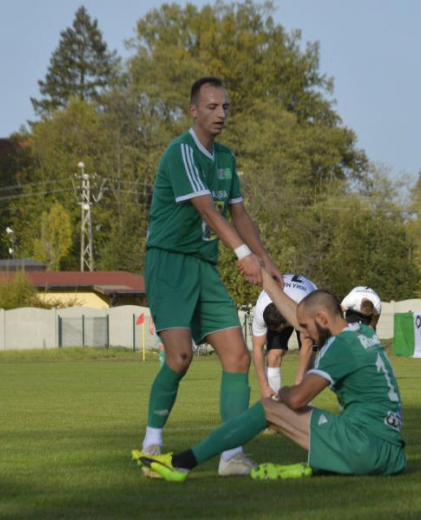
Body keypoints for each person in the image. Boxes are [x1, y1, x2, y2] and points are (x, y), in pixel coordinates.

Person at [132, 270, 406, 481]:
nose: (305, 334)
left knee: (268, 408)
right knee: (290, 412)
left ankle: (182, 463)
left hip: (366, 448)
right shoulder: (362, 334)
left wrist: (281, 392)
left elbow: (297, 399)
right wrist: (266, 278)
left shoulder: (341, 347)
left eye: (307, 327)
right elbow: (302, 317)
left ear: (323, 319)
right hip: (389, 452)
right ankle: (322, 464)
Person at [140, 76, 284, 478]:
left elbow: (238, 213)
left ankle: (231, 456)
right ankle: (152, 443)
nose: (220, 113)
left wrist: (264, 259)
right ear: (194, 111)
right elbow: (206, 208)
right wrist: (242, 254)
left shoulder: (225, 158)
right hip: (168, 263)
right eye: (212, 106)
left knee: (238, 357)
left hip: (203, 265)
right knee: (179, 357)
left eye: (225, 107)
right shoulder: (181, 152)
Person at [251, 274, 317, 399]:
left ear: (286, 321)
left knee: (309, 361)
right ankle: (275, 402)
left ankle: (304, 403)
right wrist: (264, 386)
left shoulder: (303, 308)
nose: (277, 331)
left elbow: (307, 344)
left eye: (279, 329)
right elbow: (257, 348)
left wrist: (299, 381)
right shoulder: (260, 309)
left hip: (306, 299)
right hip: (282, 299)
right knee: (272, 357)